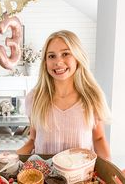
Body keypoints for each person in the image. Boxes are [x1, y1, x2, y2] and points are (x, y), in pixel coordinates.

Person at [17, 30, 111, 160]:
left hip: (82, 177)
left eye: (65, 54)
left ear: (77, 57)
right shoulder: (34, 98)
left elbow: (99, 139)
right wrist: (10, 159)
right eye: (51, 56)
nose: (58, 62)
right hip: (43, 177)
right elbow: (33, 139)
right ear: (45, 62)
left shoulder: (92, 97)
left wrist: (111, 172)